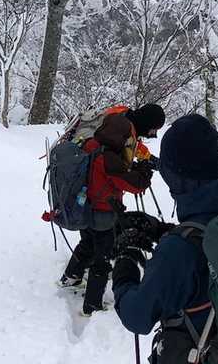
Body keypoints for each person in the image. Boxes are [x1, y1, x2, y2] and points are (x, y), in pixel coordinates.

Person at [111, 113, 218, 364]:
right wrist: (164, 231)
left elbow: (137, 316)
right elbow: (212, 245)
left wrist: (126, 263)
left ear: (178, 176)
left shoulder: (180, 251)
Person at [59, 102, 165, 315]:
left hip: (86, 201)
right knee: (104, 255)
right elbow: (127, 180)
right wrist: (143, 174)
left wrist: (136, 165)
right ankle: (92, 305)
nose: (151, 135)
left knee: (88, 242)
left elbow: (115, 168)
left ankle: (71, 277)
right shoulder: (113, 150)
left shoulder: (99, 140)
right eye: (153, 129)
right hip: (103, 207)